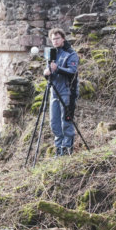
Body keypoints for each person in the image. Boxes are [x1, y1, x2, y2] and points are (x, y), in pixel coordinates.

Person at [43, 28, 79, 156]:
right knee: (54, 123)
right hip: (54, 92)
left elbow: (72, 71)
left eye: (57, 38)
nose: (55, 41)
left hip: (67, 92)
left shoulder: (70, 54)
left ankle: (67, 149)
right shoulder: (52, 54)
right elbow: (47, 70)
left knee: (66, 122)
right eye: (53, 39)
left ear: (63, 38)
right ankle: (59, 151)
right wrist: (46, 73)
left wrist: (57, 68)